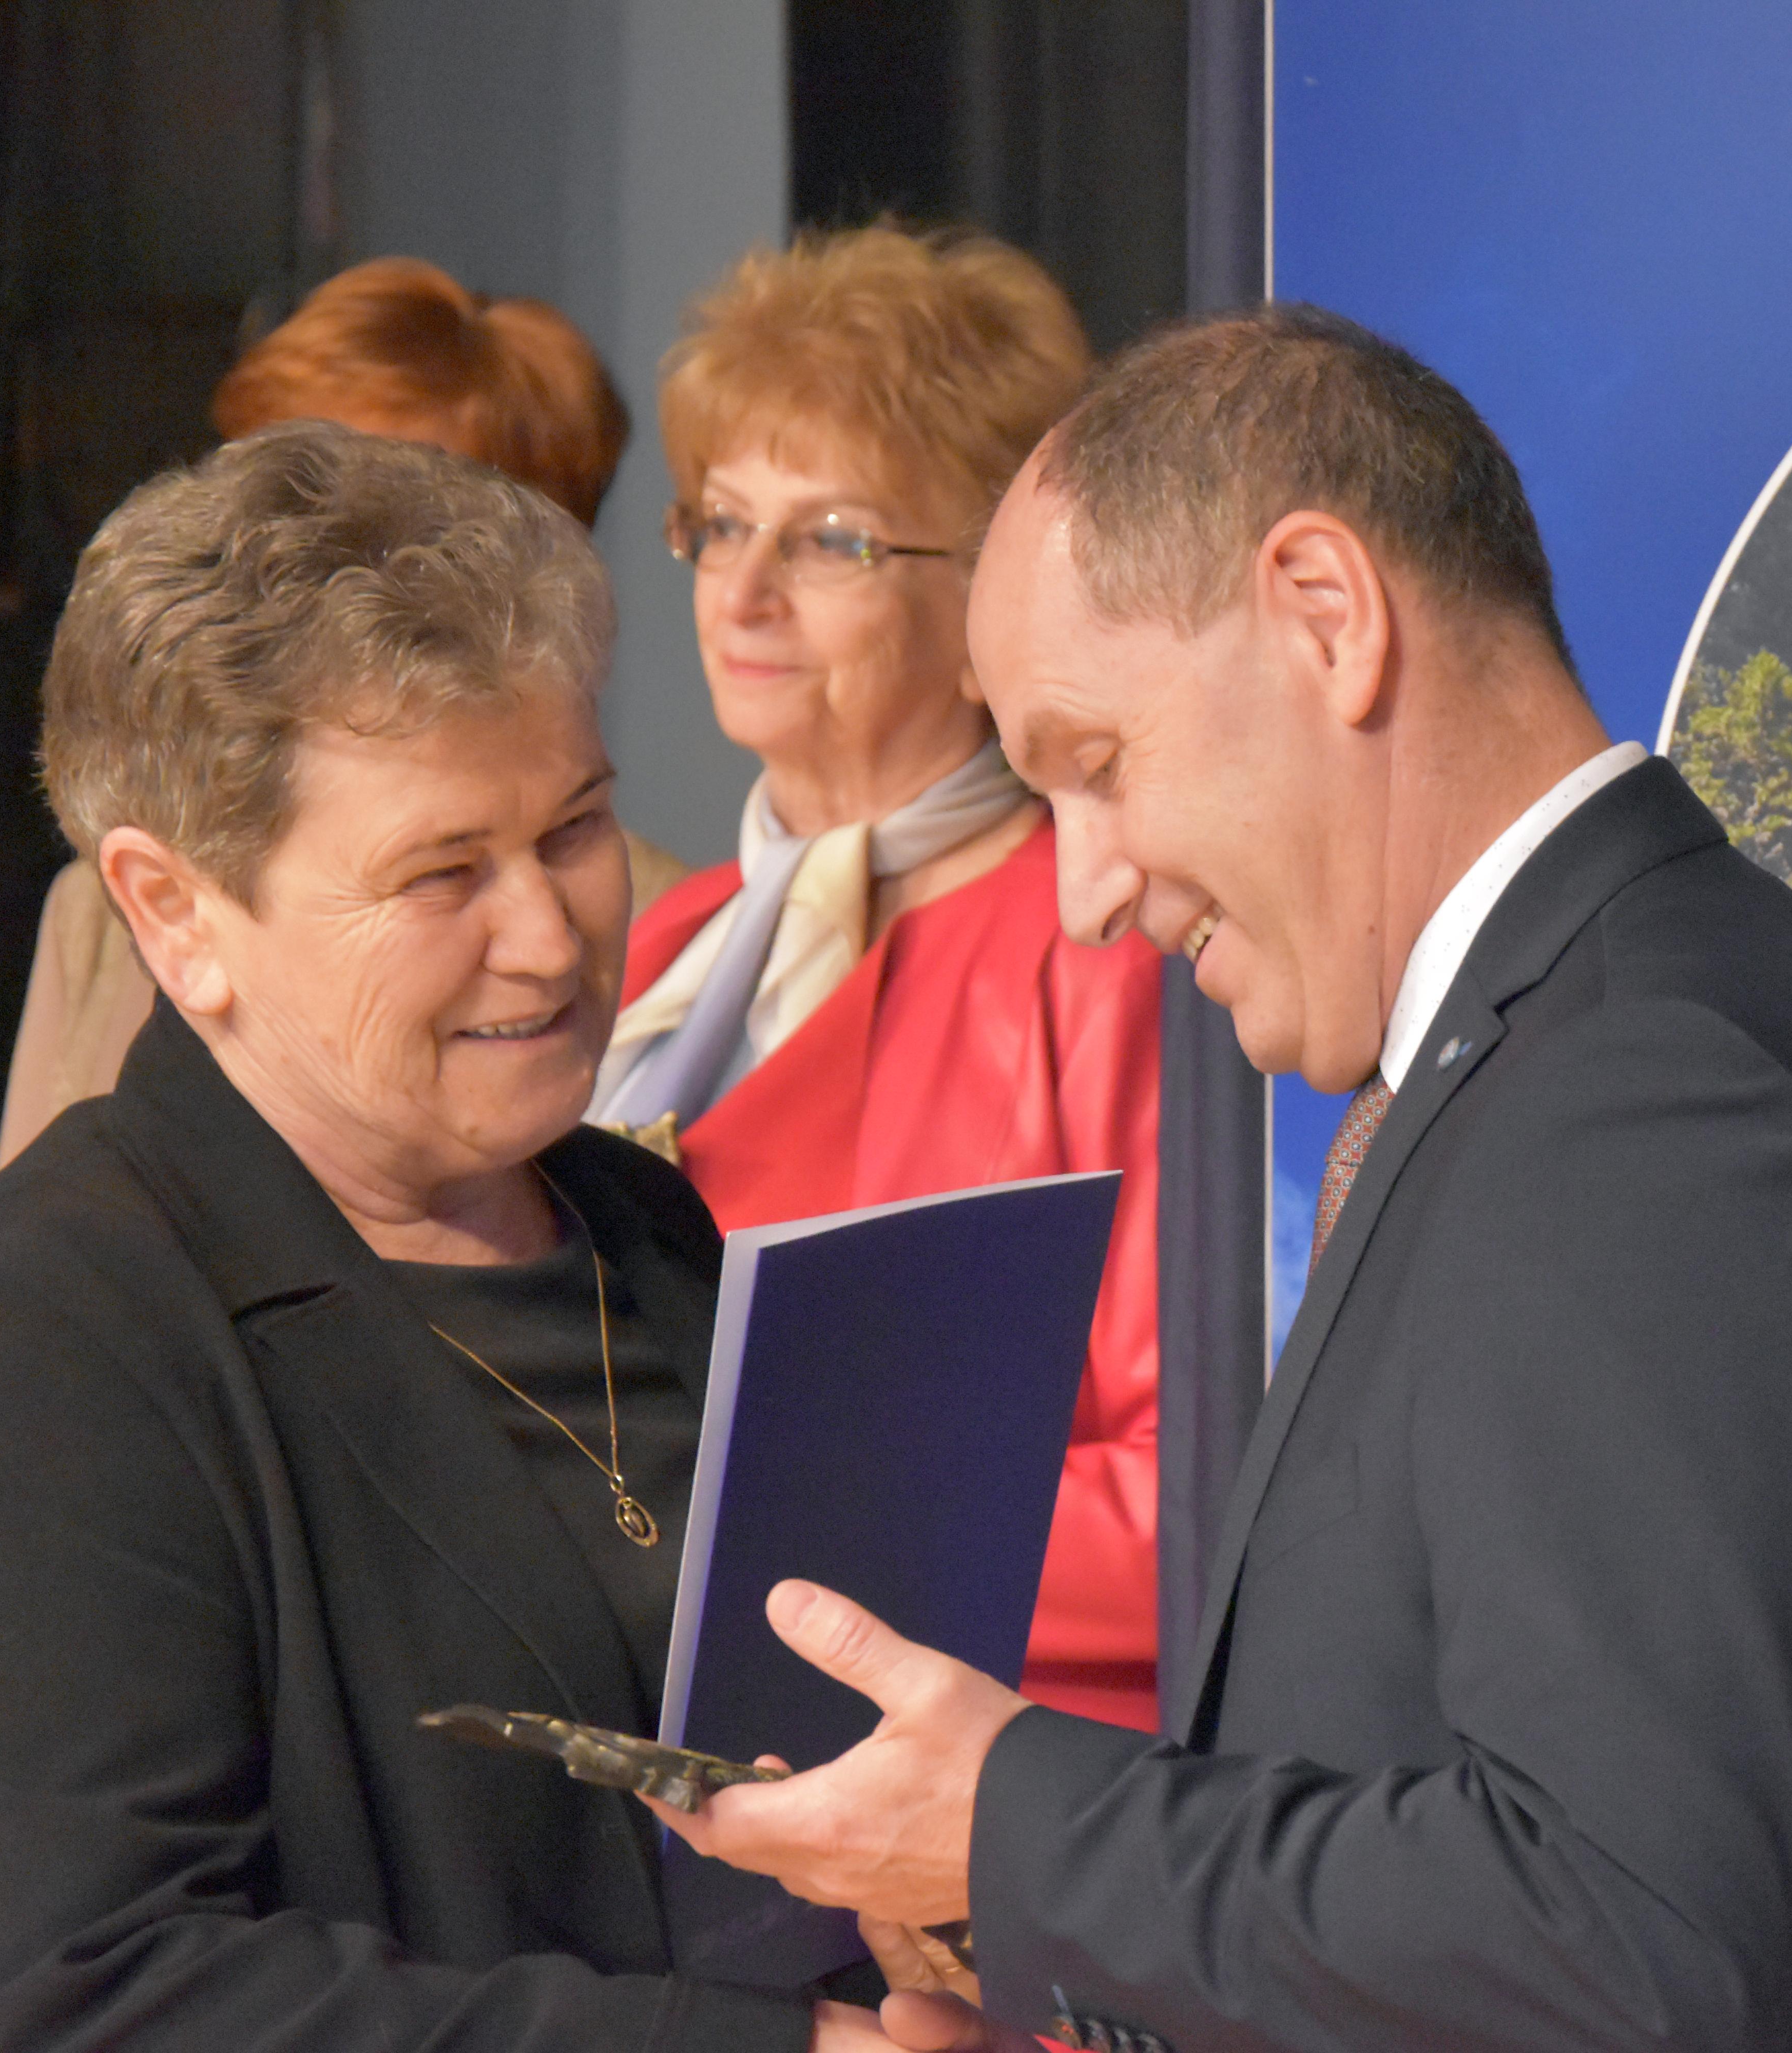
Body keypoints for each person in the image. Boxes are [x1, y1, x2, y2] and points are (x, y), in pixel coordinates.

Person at [657, 306, 1792, 2051]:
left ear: (1327, 616)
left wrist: (1016, 1829)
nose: (1085, 893)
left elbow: (1622, 1939)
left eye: (1097, 769)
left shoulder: (1641, 1101)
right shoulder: (1580, 1039)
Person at [0, 423, 898, 2050]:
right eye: (443, 874)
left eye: (574, 829)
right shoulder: (8, 1357)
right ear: (176, 912)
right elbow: (93, 2005)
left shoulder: (647, 1225)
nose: (549, 939)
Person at [591, 225, 1164, 1732]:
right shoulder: (657, 945)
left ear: (992, 601)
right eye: (722, 525)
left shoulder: (1112, 951)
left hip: (953, 1768)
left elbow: (1203, 1486)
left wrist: (773, 1554)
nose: (742, 593)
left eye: (831, 540)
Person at [0, 257, 682, 1168]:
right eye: (264, 489)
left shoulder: (672, 929)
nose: (275, 559)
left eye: (366, 529)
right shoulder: (99, 911)